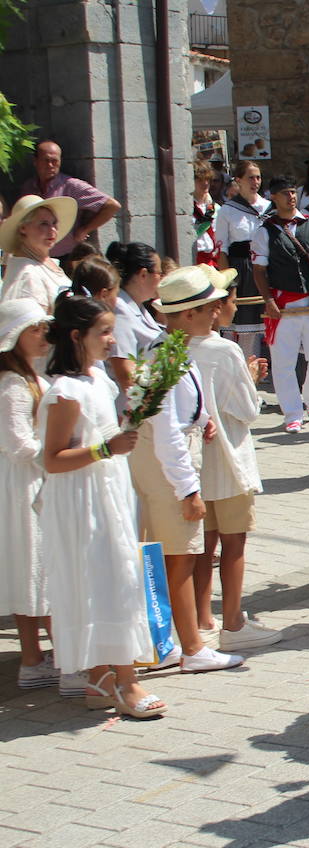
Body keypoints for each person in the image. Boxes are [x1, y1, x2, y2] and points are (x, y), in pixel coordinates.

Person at [38, 292, 165, 717]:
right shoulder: (65, 391)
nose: (112, 340)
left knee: (118, 577)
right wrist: (103, 450)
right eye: (104, 332)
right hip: (81, 497)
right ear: (77, 336)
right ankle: (121, 679)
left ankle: (102, 676)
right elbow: (52, 460)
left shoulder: (97, 378)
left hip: (109, 488)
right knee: (99, 581)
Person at [129, 268, 243, 673]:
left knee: (175, 554)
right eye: (209, 306)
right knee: (179, 556)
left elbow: (178, 414)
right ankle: (192, 648)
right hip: (169, 471)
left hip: (167, 462)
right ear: (190, 313)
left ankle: (167, 645)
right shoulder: (167, 356)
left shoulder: (172, 348)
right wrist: (188, 490)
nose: (217, 311)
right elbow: (167, 435)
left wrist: (201, 419)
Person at [189, 264, 281, 651]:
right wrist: (250, 377)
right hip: (227, 460)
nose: (230, 305)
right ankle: (231, 621)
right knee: (234, 543)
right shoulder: (224, 350)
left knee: (201, 546)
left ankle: (200, 618)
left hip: (192, 464)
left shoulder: (167, 345)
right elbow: (247, 409)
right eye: (227, 300)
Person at [251, 176, 309, 432]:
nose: (291, 197)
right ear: (274, 198)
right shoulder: (265, 230)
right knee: (283, 362)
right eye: (285, 193)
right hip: (283, 305)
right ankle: (292, 412)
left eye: (293, 192)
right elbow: (258, 270)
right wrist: (268, 301)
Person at [0, 297, 54, 688]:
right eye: (34, 329)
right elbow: (18, 444)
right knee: (31, 565)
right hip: (23, 483)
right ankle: (34, 658)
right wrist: (59, 449)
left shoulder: (33, 378)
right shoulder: (12, 386)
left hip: (38, 479)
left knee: (41, 566)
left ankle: (40, 655)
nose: (43, 335)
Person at [20, 141, 122, 259]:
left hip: (66, 256)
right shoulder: (28, 187)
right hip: (35, 255)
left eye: (55, 161)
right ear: (35, 161)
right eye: (46, 160)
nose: (50, 165)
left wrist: (85, 229)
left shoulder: (71, 186)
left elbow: (112, 206)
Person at [214, 161, 271, 361]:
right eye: (250, 177)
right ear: (238, 180)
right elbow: (222, 250)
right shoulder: (228, 211)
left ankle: (252, 373)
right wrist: (228, 283)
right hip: (240, 270)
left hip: (264, 268)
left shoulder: (269, 208)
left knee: (258, 326)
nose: (255, 182)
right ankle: (231, 369)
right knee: (236, 324)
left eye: (258, 177)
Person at [104, 241, 164, 392]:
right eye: (159, 273)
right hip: (131, 408)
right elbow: (126, 374)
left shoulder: (138, 307)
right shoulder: (120, 310)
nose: (161, 279)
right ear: (143, 274)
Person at [0, 195, 75, 308]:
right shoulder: (26, 274)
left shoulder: (45, 263)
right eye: (44, 224)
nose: (52, 230)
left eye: (54, 223)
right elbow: (34, 323)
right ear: (23, 228)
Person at [192, 160, 220, 266]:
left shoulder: (216, 208)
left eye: (208, 179)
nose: (205, 183)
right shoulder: (186, 210)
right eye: (200, 180)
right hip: (193, 261)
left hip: (212, 262)